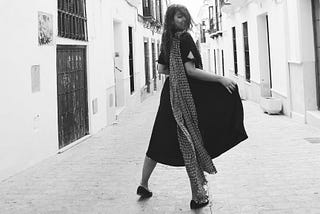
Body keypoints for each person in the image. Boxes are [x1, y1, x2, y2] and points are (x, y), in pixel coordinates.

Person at [136, 4, 248, 210]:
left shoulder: (167, 40)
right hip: (186, 96)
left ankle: (143, 184)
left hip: (169, 96)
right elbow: (192, 71)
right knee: (192, 139)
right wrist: (221, 79)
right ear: (171, 19)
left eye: (186, 17)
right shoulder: (185, 38)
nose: (184, 20)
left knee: (158, 140)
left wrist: (176, 70)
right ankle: (198, 195)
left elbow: (162, 68)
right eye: (180, 17)